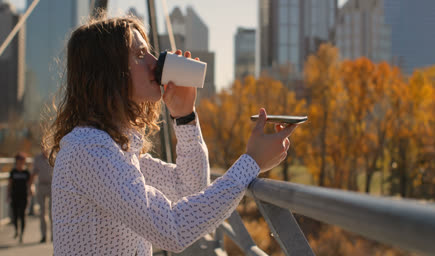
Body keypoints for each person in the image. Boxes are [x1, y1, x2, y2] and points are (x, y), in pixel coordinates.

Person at [44, 16, 297, 255]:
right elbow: (173, 230)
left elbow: (189, 189)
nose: (155, 63)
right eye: (141, 54)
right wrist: (251, 163)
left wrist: (185, 116)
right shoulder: (90, 151)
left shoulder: (119, 150)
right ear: (108, 72)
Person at [7, 152, 31, 243]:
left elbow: (29, 184)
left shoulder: (26, 172)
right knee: (15, 215)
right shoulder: (13, 172)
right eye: (19, 161)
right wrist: (8, 195)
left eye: (22, 161)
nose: (21, 162)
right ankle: (16, 230)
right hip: (14, 196)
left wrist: (30, 191)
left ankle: (22, 234)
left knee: (22, 215)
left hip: (24, 196)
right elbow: (9, 184)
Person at [30, 149, 53, 243]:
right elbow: (34, 173)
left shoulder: (53, 156)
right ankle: (43, 235)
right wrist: (31, 186)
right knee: (42, 212)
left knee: (52, 212)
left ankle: (53, 235)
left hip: (51, 186)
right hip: (41, 186)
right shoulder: (37, 158)